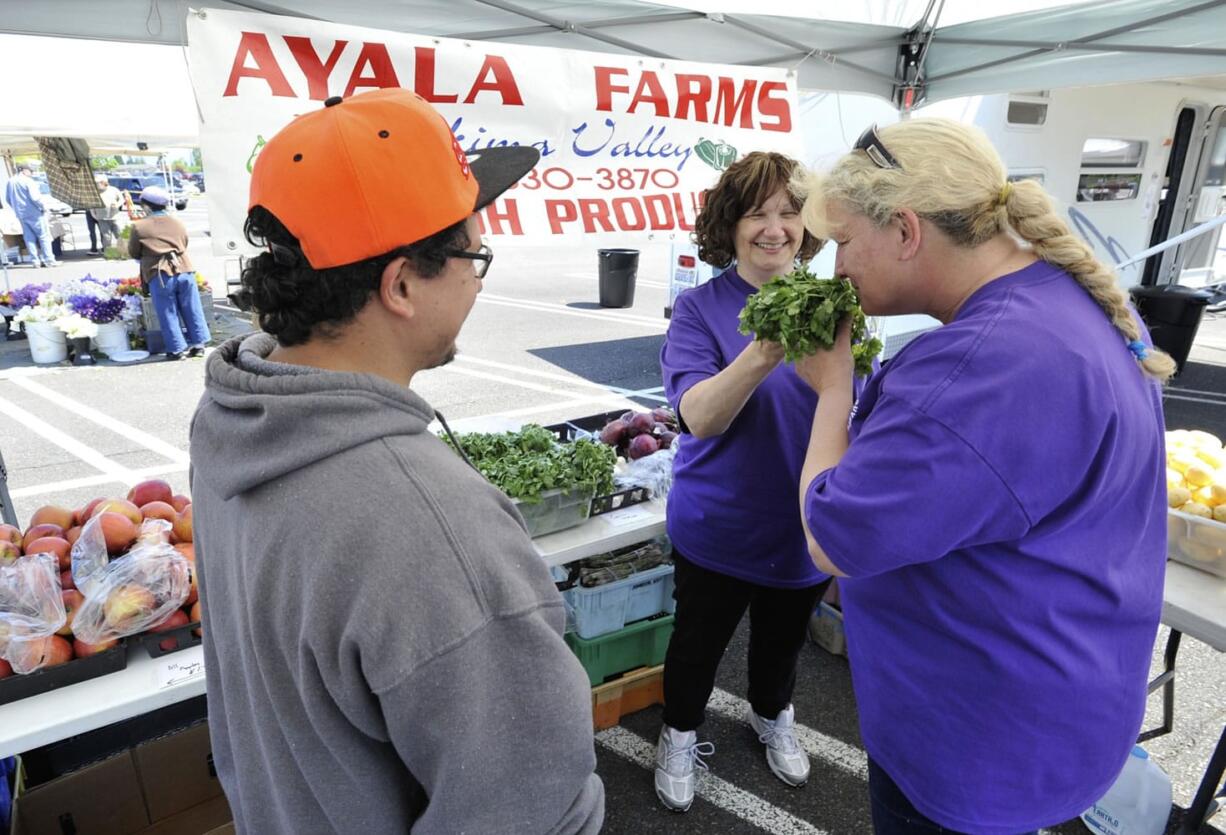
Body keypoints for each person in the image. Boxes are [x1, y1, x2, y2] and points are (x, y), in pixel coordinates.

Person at [187, 88, 603, 834]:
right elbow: (536, 807)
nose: (478, 278)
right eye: (475, 256)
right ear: (403, 284)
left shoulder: (233, 417)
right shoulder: (428, 526)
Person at [793, 118, 1172, 834]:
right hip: (1064, 704)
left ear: (906, 230)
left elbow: (831, 537)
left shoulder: (979, 369)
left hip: (976, 739)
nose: (836, 268)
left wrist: (831, 387)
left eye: (844, 242)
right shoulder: (1067, 301)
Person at [655, 151, 848, 812]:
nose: (774, 228)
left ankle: (772, 713)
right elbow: (698, 418)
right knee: (696, 646)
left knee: (781, 646)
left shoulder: (838, 306)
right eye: (756, 213)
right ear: (729, 225)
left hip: (801, 526)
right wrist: (765, 347)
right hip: (717, 524)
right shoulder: (699, 310)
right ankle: (679, 730)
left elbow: (857, 411)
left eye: (790, 212)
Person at [127, 185, 210, 359]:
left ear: (147, 206)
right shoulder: (178, 222)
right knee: (192, 308)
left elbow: (134, 252)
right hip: (184, 269)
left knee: (167, 311)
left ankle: (176, 349)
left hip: (160, 273)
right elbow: (184, 243)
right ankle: (199, 345)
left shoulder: (139, 227)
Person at [3, 165, 57, 267]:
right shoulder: (28, 181)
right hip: (34, 212)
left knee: (29, 238)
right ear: (24, 171)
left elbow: (8, 199)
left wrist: (16, 208)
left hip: (20, 213)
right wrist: (44, 207)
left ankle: (35, 261)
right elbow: (35, 198)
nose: (32, 173)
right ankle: (49, 260)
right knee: (43, 236)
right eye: (30, 171)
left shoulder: (11, 181)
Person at [89, 174, 124, 251]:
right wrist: (94, 215)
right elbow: (91, 205)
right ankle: (108, 252)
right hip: (102, 218)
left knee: (119, 234)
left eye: (98, 183)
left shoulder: (114, 190)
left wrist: (117, 205)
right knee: (106, 236)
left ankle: (123, 251)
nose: (96, 184)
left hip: (115, 217)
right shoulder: (95, 192)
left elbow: (121, 199)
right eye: (96, 183)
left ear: (104, 182)